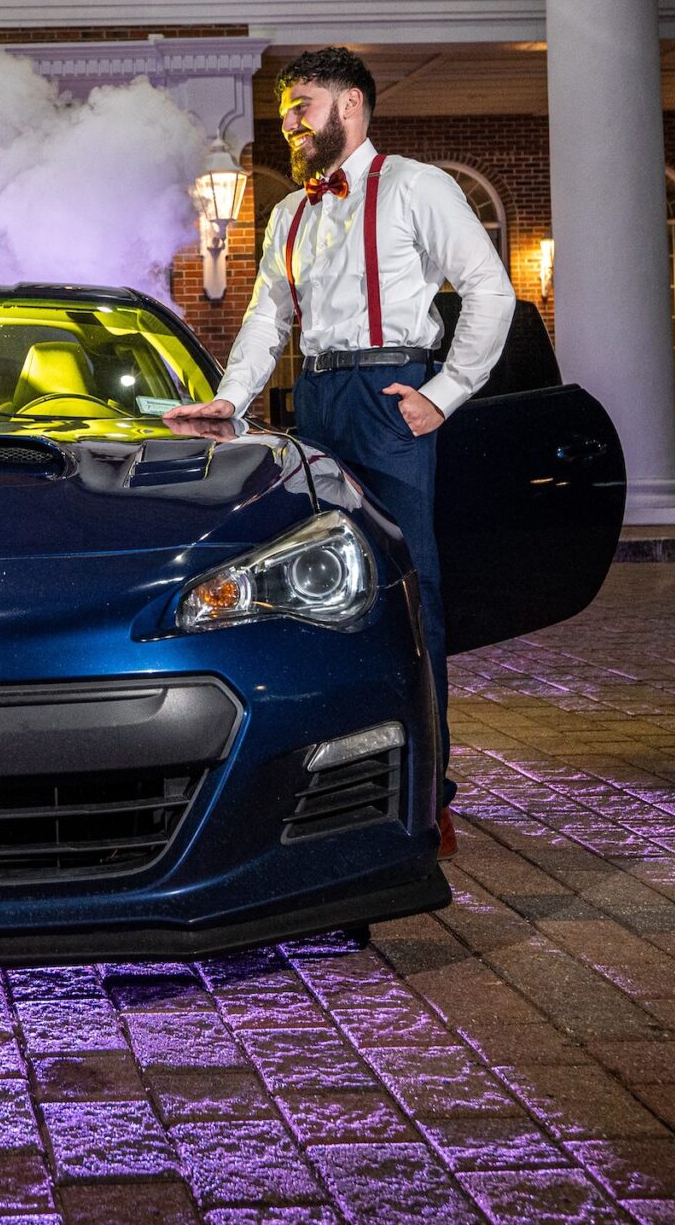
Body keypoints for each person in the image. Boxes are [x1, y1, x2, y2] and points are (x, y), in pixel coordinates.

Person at [165, 46, 514, 857]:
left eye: (304, 104)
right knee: (316, 590)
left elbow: (491, 290)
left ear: (351, 105)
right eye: (287, 107)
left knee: (409, 593)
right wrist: (233, 399)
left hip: (391, 396)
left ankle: (430, 792)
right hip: (315, 400)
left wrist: (447, 391)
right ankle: (329, 782)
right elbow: (267, 318)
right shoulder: (290, 213)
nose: (288, 120)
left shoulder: (417, 186)